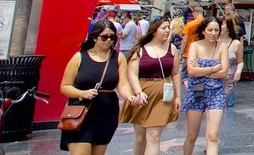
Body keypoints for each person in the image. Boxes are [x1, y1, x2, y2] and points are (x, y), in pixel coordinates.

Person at [59, 20, 136, 154]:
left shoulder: (118, 58)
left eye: (112, 37)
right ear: (94, 37)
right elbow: (65, 86)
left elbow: (122, 83)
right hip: (80, 112)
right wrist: (82, 93)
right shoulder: (79, 57)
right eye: (104, 37)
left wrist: (129, 96)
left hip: (106, 114)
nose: (108, 40)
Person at [120, 18, 182, 155]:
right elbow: (132, 73)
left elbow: (176, 73)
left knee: (154, 135)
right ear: (154, 31)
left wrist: (178, 96)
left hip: (163, 95)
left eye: (168, 28)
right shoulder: (140, 50)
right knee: (141, 137)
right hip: (143, 94)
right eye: (164, 28)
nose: (167, 31)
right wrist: (138, 92)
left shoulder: (172, 49)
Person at [182, 17, 228, 155]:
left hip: (216, 93)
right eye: (210, 30)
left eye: (216, 30)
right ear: (203, 31)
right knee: (192, 135)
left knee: (212, 136)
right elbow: (191, 71)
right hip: (196, 92)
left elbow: (224, 72)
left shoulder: (222, 46)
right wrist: (214, 68)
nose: (213, 33)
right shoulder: (195, 46)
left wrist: (200, 70)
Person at [219, 17, 243, 107]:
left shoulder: (236, 43)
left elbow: (240, 61)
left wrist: (238, 71)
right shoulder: (213, 42)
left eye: (222, 24)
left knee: (223, 106)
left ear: (228, 27)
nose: (219, 27)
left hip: (228, 79)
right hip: (213, 79)